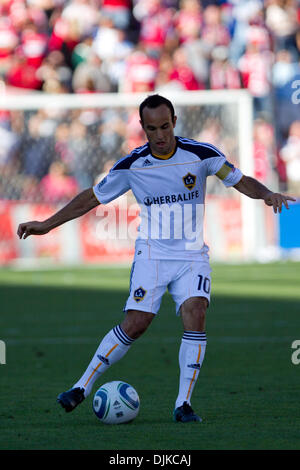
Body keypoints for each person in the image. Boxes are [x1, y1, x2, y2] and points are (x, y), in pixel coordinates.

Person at [17, 94, 295, 423]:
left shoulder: (202, 154)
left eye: (165, 126)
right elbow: (91, 197)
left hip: (192, 255)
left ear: (174, 122)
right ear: (143, 128)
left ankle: (183, 404)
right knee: (136, 324)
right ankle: (81, 387)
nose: (160, 134)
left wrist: (266, 194)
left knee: (196, 313)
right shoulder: (131, 166)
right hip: (152, 254)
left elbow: (238, 180)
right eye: (153, 129)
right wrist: (47, 225)